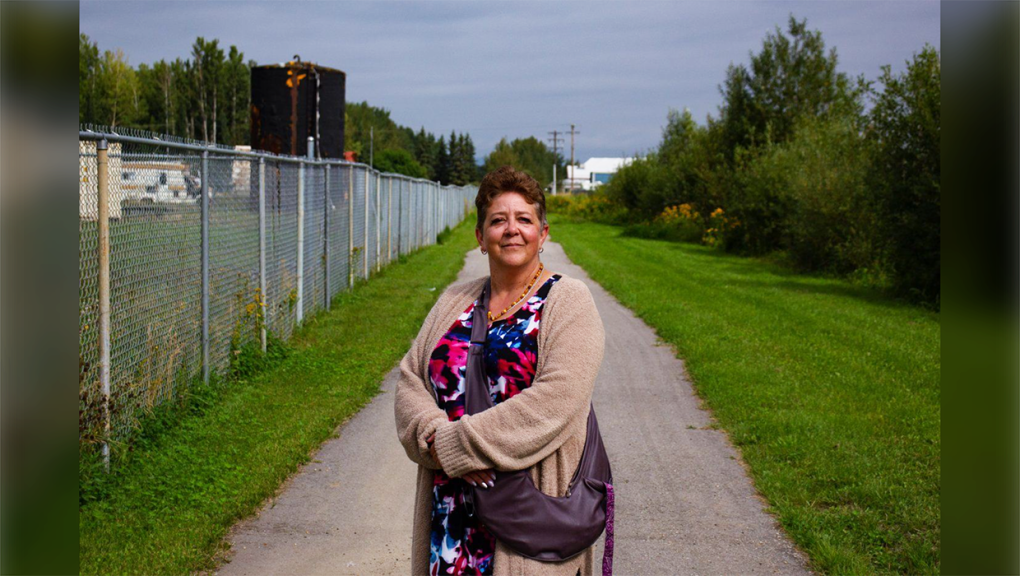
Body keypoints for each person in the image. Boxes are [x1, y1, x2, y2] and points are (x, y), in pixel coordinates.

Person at [394, 166, 606, 576]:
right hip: (452, 521)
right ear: (479, 237)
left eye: (524, 219)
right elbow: (410, 380)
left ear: (543, 234)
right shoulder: (455, 299)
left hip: (528, 517)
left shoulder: (568, 301)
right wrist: (437, 438)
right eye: (498, 220)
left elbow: (557, 401)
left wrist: (460, 445)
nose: (512, 230)